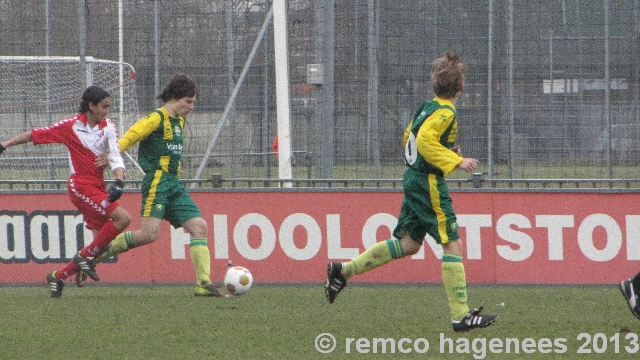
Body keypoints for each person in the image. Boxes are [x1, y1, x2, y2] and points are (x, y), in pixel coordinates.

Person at [324, 52, 498, 332]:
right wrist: (456, 161)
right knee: (452, 243)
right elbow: (426, 139)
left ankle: (343, 271)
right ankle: (460, 315)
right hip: (428, 182)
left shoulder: (427, 107)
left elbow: (410, 136)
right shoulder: (446, 112)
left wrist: (438, 155)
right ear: (461, 87)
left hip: (415, 178)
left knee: (409, 244)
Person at [92, 73, 228, 298]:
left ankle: (203, 283)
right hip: (157, 180)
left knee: (199, 226)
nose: (192, 107)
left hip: (173, 183)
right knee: (148, 234)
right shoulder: (156, 119)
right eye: (189, 101)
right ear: (175, 97)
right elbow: (133, 135)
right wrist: (112, 154)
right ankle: (92, 255)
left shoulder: (179, 121)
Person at [0, 85, 131, 298]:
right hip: (80, 186)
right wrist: (5, 144)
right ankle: (84, 258)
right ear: (91, 105)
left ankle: (59, 275)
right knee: (123, 218)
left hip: (98, 186)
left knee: (102, 246)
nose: (107, 111)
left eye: (108, 107)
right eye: (104, 107)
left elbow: (116, 156)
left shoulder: (108, 127)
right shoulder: (70, 127)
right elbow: (35, 134)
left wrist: (118, 181)